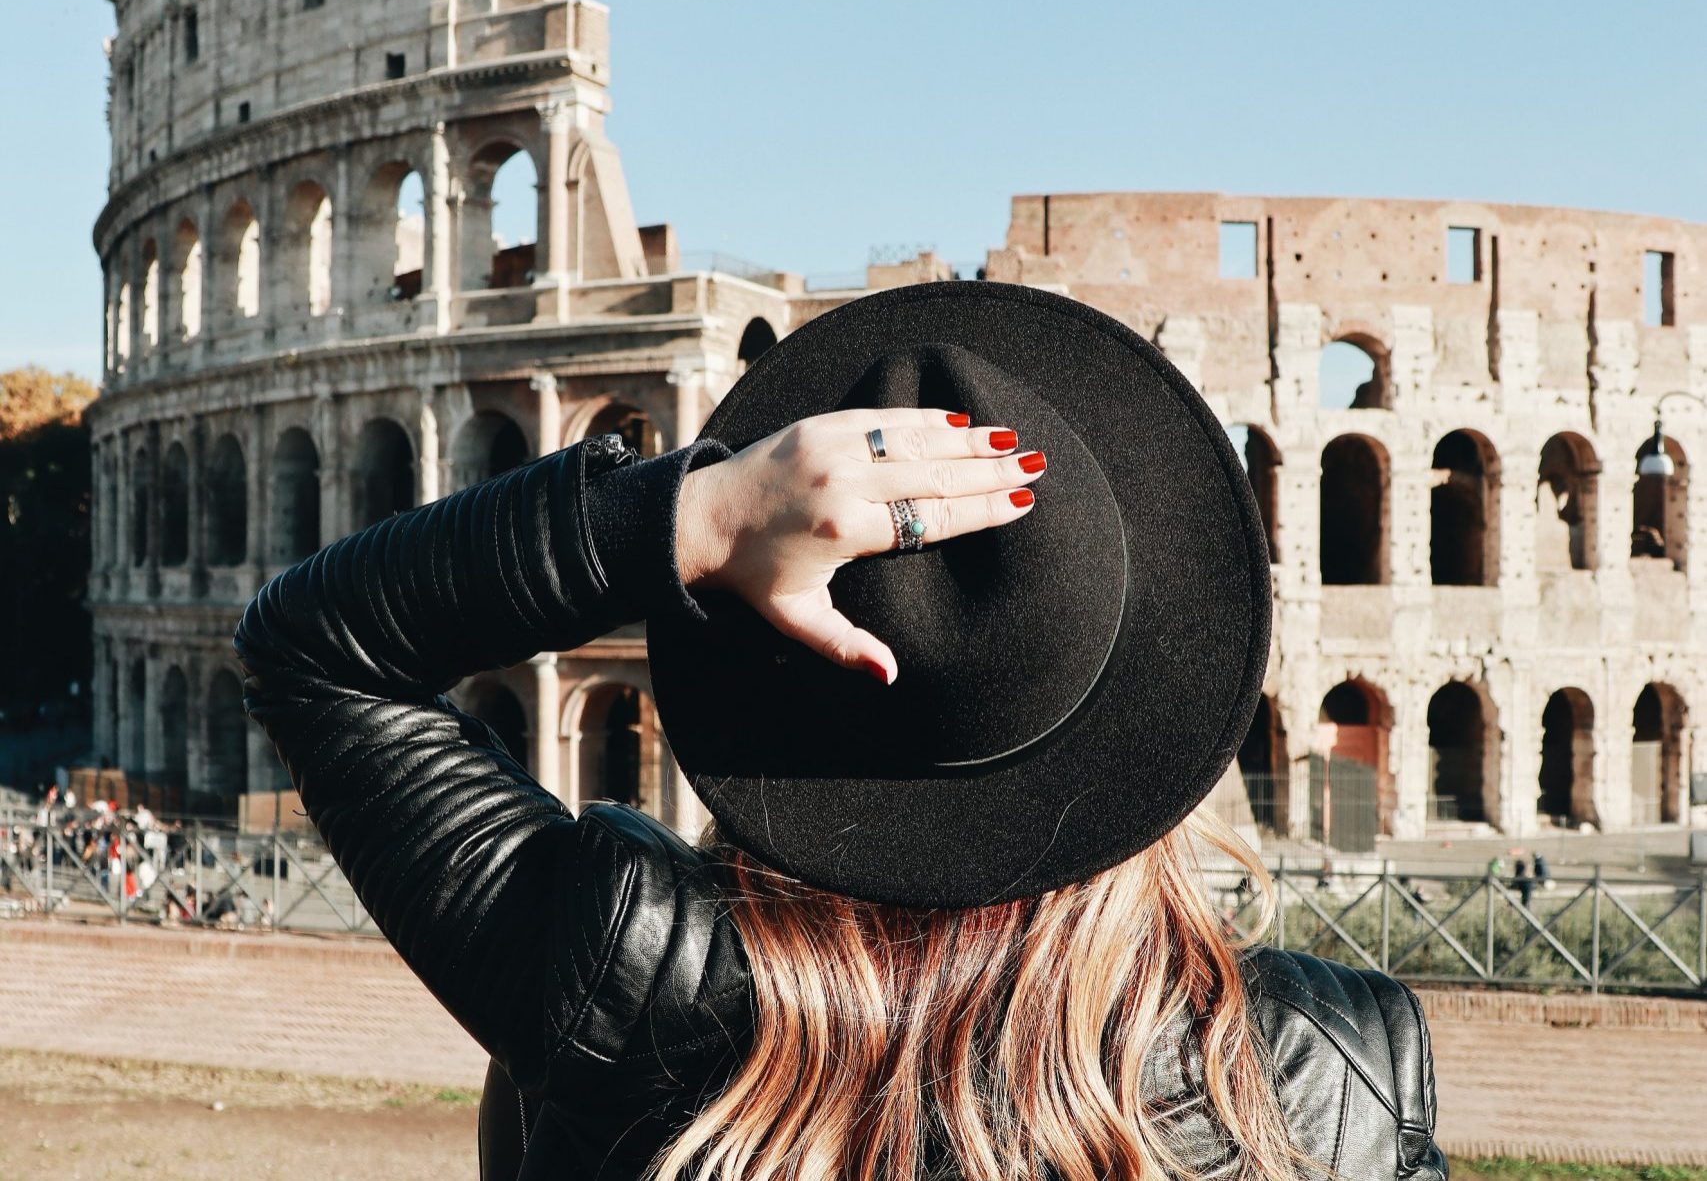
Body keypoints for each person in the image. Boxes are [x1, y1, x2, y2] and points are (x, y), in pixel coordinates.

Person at [235, 283, 1445, 1180]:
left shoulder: (631, 988)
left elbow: (314, 647)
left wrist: (690, 515)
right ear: (1151, 688)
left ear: (764, 657)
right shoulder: (1330, 1066)